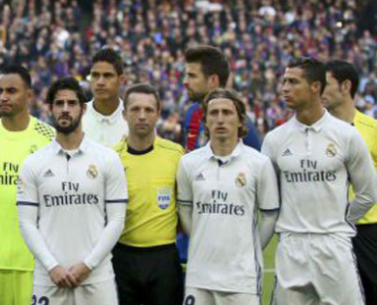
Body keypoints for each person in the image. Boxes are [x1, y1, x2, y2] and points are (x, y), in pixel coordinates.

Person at [262, 58, 377, 305]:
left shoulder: (347, 136)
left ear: (315, 87)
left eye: (293, 82)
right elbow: (267, 199)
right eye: (284, 81)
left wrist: (340, 221)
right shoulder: (274, 140)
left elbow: (369, 193)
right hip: (290, 247)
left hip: (334, 246)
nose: (284, 88)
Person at [17, 77, 127, 305]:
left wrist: (88, 265)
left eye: (71, 103)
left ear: (83, 108)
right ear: (50, 109)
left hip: (97, 279)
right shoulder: (33, 163)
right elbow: (26, 223)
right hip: (49, 279)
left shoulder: (107, 159)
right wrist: (52, 266)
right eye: (59, 104)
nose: (65, 109)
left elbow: (116, 219)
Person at [177, 89, 279, 305]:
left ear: (241, 121)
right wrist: (200, 240)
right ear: (205, 120)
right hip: (200, 276)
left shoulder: (259, 163)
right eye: (213, 113)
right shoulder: (189, 163)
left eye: (227, 112)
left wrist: (250, 249)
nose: (220, 119)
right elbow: (184, 209)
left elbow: (270, 215)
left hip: (242, 279)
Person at [0, 65, 55, 305]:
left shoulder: (49, 139)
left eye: (12, 90)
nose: (4, 96)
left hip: (35, 262)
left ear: (29, 95)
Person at [111, 84, 185, 305]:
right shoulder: (111, 157)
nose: (142, 116)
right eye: (135, 109)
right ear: (124, 114)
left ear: (158, 113)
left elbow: (184, 208)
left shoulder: (175, 155)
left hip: (163, 258)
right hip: (122, 256)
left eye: (148, 110)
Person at [322, 60, 377, 301]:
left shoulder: (371, 129)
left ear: (345, 86)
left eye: (325, 84)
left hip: (367, 228)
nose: (319, 90)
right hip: (329, 228)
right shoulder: (317, 133)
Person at [182, 46, 262, 151]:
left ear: (213, 80)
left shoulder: (240, 123)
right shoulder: (191, 113)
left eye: (192, 76)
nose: (185, 82)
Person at [82, 49, 129, 146]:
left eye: (107, 76)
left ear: (121, 80)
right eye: (95, 75)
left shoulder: (133, 119)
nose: (100, 82)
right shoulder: (76, 117)